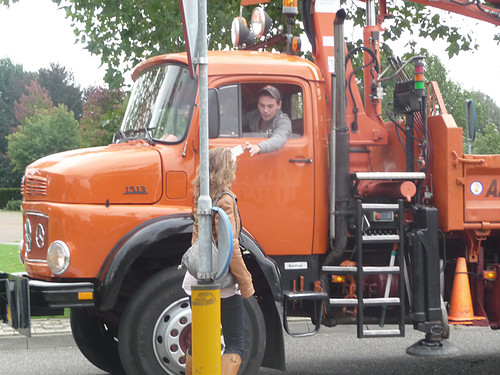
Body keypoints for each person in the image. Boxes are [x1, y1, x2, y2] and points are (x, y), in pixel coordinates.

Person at [182, 147, 255, 375]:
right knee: (235, 343)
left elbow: (198, 237)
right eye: (233, 165)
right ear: (226, 169)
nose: (235, 169)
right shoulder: (225, 199)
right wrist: (246, 282)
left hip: (197, 275)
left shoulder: (202, 196)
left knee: (203, 338)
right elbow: (230, 247)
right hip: (220, 280)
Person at [243, 85, 292, 156]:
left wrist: (259, 147)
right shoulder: (254, 115)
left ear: (279, 105)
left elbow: (279, 138)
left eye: (270, 106)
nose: (265, 110)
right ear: (258, 105)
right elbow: (236, 123)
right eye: (262, 105)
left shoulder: (283, 120)